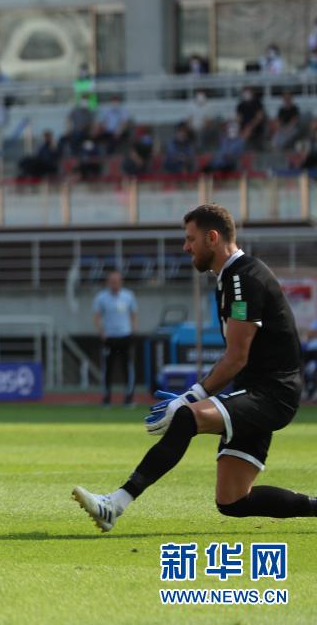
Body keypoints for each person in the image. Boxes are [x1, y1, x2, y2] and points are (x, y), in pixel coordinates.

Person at [74, 203, 317, 532]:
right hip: (258, 392)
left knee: (187, 417)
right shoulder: (232, 277)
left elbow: (237, 357)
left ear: (212, 238)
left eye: (190, 239)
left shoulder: (243, 279)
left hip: (272, 395)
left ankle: (115, 504)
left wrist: (190, 397)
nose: (185, 247)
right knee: (232, 501)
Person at [93, 271, 137, 407]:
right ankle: (106, 398)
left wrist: (132, 330)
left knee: (127, 368)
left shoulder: (128, 296)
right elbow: (97, 316)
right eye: (112, 281)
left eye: (116, 281)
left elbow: (133, 314)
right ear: (108, 282)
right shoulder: (101, 297)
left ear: (121, 282)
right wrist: (101, 332)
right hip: (109, 338)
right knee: (107, 369)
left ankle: (129, 398)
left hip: (125, 336)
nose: (114, 284)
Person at [235, 86, 266, 151]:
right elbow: (238, 119)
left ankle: (238, 148)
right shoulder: (240, 105)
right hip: (243, 128)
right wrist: (236, 127)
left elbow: (259, 118)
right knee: (232, 131)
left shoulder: (257, 103)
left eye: (248, 92)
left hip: (255, 128)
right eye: (245, 92)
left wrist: (250, 126)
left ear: (252, 93)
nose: (246, 94)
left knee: (247, 131)